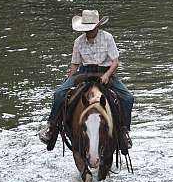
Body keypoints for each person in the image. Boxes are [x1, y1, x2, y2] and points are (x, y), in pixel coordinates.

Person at [39, 9, 133, 149]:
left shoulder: (107, 37)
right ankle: (52, 127)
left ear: (97, 26)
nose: (87, 31)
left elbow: (115, 62)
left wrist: (107, 75)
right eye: (86, 29)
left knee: (127, 98)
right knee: (59, 94)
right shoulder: (78, 41)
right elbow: (75, 64)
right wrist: (68, 80)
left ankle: (124, 131)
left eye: (90, 28)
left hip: (104, 72)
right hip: (85, 73)